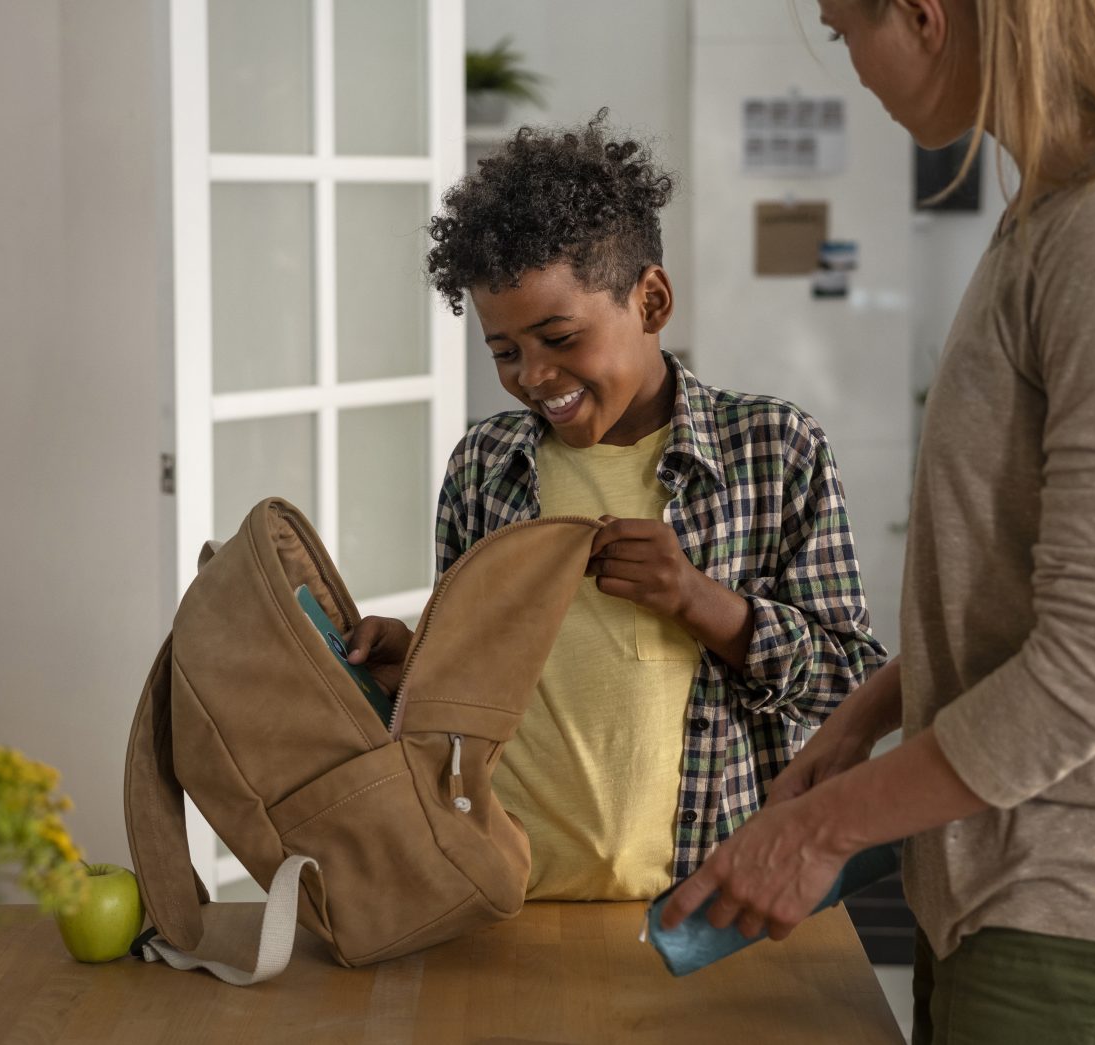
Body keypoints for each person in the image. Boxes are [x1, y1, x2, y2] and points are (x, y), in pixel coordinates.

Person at [661, 2, 1095, 1042]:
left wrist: (816, 831)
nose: (847, 63)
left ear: (923, 15)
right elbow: (1028, 589)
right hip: (1021, 899)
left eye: (840, 28)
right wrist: (865, 715)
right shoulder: (1061, 212)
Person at [347, 111, 888, 901]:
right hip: (504, 895)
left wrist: (704, 603)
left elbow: (853, 686)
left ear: (653, 300)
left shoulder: (777, 451)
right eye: (504, 351)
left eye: (559, 337)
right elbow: (469, 696)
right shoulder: (484, 467)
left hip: (705, 901)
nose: (532, 375)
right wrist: (413, 665)